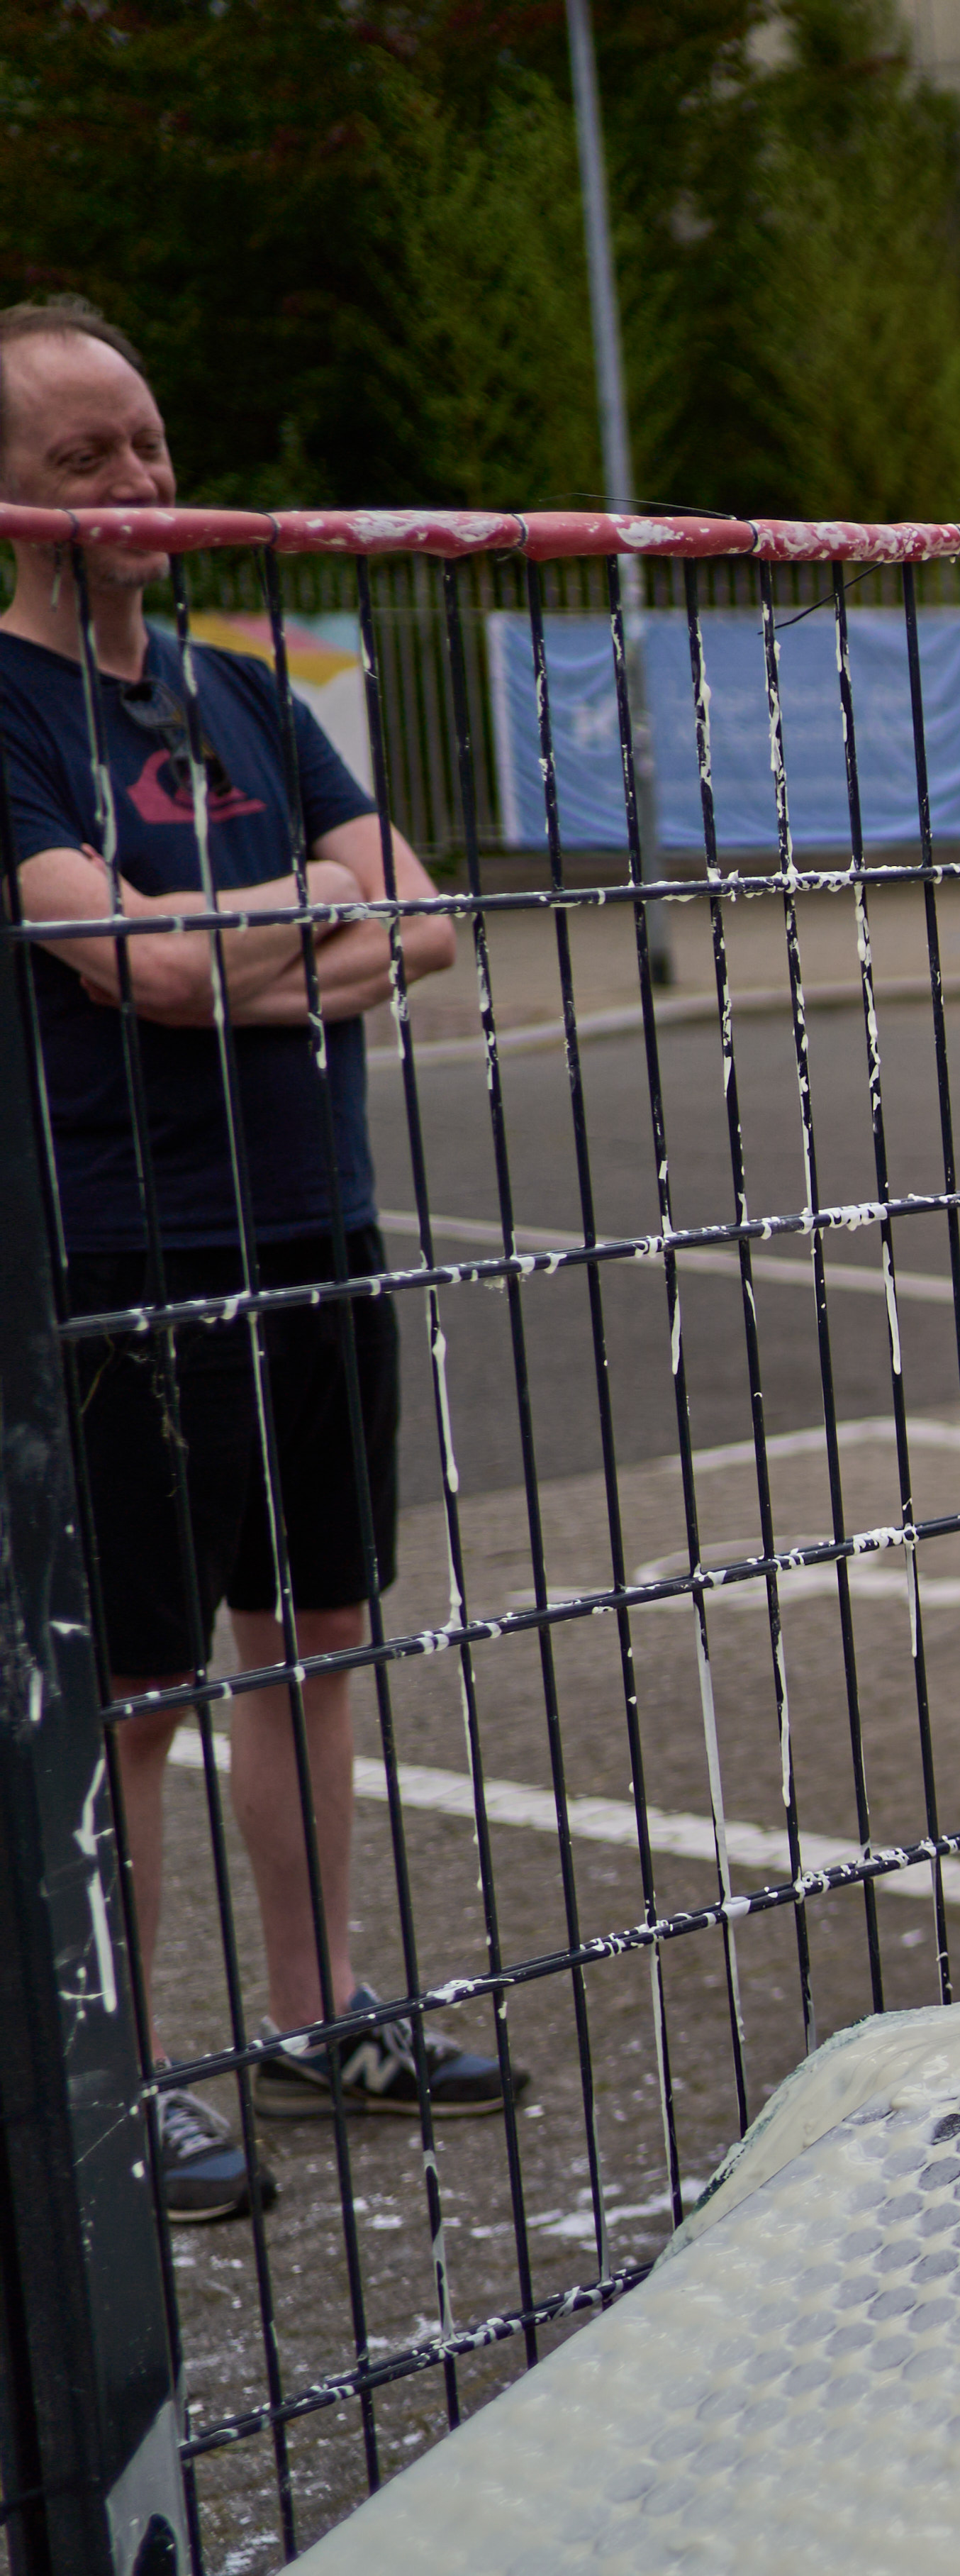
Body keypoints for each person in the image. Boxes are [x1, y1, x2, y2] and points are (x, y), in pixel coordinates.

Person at [0, 299, 516, 2226]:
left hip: (314, 1225)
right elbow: (110, 966)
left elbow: (429, 922)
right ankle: (113, 2087)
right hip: (127, 1262)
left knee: (311, 1642)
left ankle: (321, 2016)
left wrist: (238, 934)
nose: (137, 483)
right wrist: (297, 918)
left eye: (144, 442)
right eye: (82, 459)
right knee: (136, 1687)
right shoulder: (7, 710)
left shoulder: (243, 698)